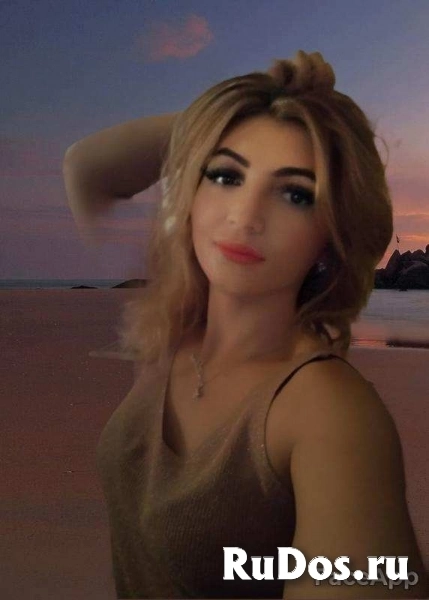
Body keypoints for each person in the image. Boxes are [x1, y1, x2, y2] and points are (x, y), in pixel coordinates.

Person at [62, 51, 429, 599]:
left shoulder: (329, 412)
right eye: (226, 175)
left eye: (295, 193)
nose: (246, 215)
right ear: (191, 192)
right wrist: (259, 106)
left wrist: (302, 118)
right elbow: (85, 165)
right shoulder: (175, 337)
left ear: (332, 233)